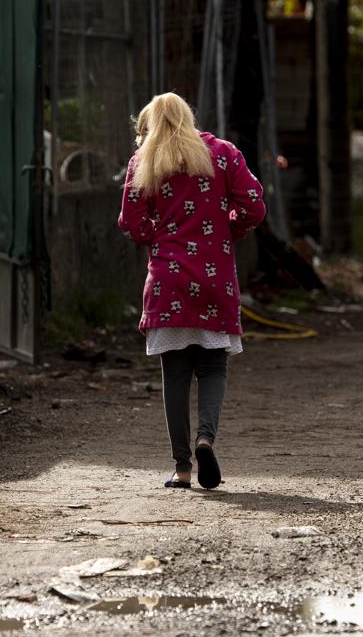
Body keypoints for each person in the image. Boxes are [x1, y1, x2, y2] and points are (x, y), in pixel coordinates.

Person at [118, 93, 266, 490]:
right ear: (188, 117)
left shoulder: (143, 162)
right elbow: (253, 204)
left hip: (167, 280)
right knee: (214, 366)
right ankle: (206, 439)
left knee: (175, 375)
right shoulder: (222, 153)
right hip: (215, 276)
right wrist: (227, 229)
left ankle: (182, 468)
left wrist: (160, 237)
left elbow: (130, 222)